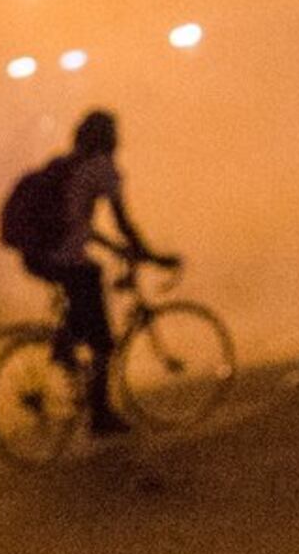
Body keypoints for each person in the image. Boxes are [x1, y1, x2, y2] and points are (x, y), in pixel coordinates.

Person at [9, 108, 177, 434]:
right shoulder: (102, 168)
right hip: (64, 260)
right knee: (103, 342)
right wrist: (151, 256)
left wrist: (120, 250)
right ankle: (100, 416)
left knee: (87, 290)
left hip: (39, 256)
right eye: (114, 132)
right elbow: (123, 222)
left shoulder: (69, 165)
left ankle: (65, 344)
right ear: (107, 138)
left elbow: (81, 227)